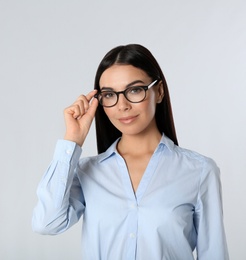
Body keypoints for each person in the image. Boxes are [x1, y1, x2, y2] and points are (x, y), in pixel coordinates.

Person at [31, 44, 229, 259]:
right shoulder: (86, 172)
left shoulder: (199, 170)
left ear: (159, 91)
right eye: (109, 95)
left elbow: (214, 253)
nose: (122, 105)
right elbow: (47, 223)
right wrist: (72, 140)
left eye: (135, 90)